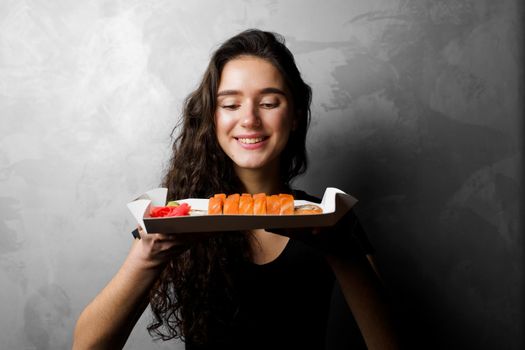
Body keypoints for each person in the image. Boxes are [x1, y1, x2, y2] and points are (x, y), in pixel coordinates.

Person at [73, 29, 399, 350]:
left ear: (297, 114)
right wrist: (147, 257)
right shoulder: (176, 218)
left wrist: (343, 252)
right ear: (212, 118)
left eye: (269, 102)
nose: (249, 119)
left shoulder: (329, 218)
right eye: (230, 105)